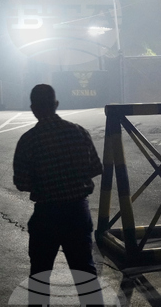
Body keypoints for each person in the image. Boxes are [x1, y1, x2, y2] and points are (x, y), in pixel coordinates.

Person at [13, 84, 103, 276]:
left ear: (33, 109)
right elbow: (95, 167)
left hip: (46, 215)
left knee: (40, 274)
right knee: (85, 272)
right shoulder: (79, 132)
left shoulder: (28, 140)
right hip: (78, 212)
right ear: (56, 104)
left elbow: (21, 183)